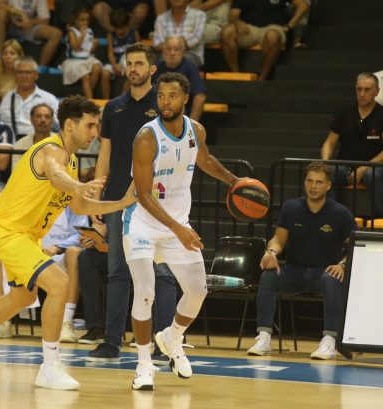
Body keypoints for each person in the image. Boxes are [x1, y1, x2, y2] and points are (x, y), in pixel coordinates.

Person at [0, 95, 137, 391]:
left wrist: (121, 203)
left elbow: (81, 207)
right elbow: (56, 174)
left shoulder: (72, 160)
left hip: (24, 236)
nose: (95, 133)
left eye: (97, 126)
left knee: (23, 297)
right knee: (59, 283)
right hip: (8, 232)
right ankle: (49, 367)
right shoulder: (51, 150)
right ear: (71, 124)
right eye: (89, 125)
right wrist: (78, 185)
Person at [125, 72, 238, 390]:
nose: (165, 102)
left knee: (198, 290)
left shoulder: (196, 131)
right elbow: (144, 196)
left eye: (172, 96)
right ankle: (144, 365)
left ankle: (172, 338)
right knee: (146, 292)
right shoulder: (146, 137)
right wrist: (179, 229)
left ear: (185, 98)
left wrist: (235, 182)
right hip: (141, 222)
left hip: (177, 223)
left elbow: (206, 161)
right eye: (161, 96)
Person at [88, 43, 178, 364]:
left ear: (153, 69)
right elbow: (105, 154)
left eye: (139, 63)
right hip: (116, 200)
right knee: (117, 272)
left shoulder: (165, 105)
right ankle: (112, 341)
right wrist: (98, 198)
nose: (133, 69)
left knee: (162, 273)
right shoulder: (113, 107)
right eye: (129, 63)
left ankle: (164, 343)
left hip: (153, 202)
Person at [247, 161, 358, 360]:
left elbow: (354, 247)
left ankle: (330, 340)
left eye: (318, 182)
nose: (313, 186)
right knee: (268, 276)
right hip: (295, 271)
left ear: (328, 185)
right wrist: (271, 252)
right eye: (309, 181)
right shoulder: (291, 208)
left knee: (333, 278)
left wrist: (342, 264)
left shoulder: (341, 213)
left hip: (323, 273)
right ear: (304, 183)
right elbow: (279, 239)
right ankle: (264, 337)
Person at [320, 72, 383, 217]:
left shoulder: (381, 115)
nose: (362, 94)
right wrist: (325, 162)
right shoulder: (344, 112)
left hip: (375, 167)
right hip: (346, 165)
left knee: (372, 175)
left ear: (377, 92)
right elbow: (329, 143)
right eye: (359, 89)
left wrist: (365, 167)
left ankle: (380, 220)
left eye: (367, 90)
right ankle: (332, 216)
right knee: (328, 172)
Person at [220, 0, 309, 81]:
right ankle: (236, 75)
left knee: (273, 36)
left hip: (272, 27)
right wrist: (238, 23)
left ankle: (263, 77)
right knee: (227, 32)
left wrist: (289, 26)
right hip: (248, 29)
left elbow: (303, 5)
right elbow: (233, 15)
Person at [42, 206, 89, 342]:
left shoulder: (72, 199)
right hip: (37, 251)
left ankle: (66, 322)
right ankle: (1, 321)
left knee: (74, 253)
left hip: (63, 252)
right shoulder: (35, 196)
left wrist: (57, 247)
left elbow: (81, 232)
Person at [0, 56, 59, 138]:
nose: (24, 76)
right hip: (10, 143)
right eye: (20, 72)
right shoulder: (7, 97)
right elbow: (0, 123)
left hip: (38, 142)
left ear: (36, 75)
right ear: (15, 75)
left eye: (28, 72)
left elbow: (59, 125)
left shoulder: (49, 99)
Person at [0, 0, 62, 68]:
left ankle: (41, 68)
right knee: (0, 13)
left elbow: (45, 20)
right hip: (9, 24)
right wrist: (21, 14)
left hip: (28, 27)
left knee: (56, 34)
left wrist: (28, 22)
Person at [153, 36, 207, 121]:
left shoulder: (190, 67)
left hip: (183, 117)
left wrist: (191, 124)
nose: (172, 53)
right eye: (168, 49)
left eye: (176, 49)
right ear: (163, 51)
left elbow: (200, 96)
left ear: (183, 52)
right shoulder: (157, 67)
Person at [62, 8, 102, 100]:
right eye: (82, 20)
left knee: (97, 67)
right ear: (75, 20)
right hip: (74, 61)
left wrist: (94, 45)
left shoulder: (90, 31)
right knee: (86, 76)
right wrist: (83, 35)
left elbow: (90, 50)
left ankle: (86, 94)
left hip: (87, 58)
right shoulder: (71, 32)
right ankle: (89, 100)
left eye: (87, 20)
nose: (85, 22)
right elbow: (75, 47)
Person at [100, 7, 140, 99]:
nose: (119, 31)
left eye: (122, 28)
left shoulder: (134, 33)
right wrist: (114, 65)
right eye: (117, 28)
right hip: (114, 62)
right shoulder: (111, 35)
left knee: (132, 73)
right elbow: (110, 53)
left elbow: (139, 51)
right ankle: (106, 101)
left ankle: (121, 100)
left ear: (127, 24)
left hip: (129, 62)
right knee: (105, 73)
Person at [153, 0, 206, 67]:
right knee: (162, 59)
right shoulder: (161, 18)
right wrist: (177, 46)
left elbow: (196, 38)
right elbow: (157, 43)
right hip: (166, 56)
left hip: (191, 54)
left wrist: (169, 45)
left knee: (186, 60)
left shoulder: (200, 15)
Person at [12, 103, 55, 168]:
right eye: (38, 116)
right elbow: (15, 172)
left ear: (52, 121)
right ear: (31, 120)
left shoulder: (63, 143)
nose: (43, 120)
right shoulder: (20, 145)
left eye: (47, 117)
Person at [0, 39, 24, 103]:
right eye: (5, 53)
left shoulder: (23, 74)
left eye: (12, 53)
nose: (8, 57)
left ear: (19, 56)